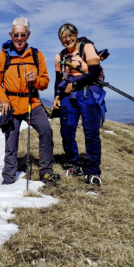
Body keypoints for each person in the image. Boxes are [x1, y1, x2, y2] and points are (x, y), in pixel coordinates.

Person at [0, 17, 60, 184]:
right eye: (16, 35)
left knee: (46, 131)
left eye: (23, 34)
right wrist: (4, 100)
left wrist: (35, 79)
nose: (19, 38)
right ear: (11, 35)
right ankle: (8, 177)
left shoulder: (37, 55)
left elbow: (44, 83)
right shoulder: (2, 57)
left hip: (32, 103)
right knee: (11, 141)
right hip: (12, 105)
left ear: (28, 35)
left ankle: (46, 171)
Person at [52, 23, 104, 186]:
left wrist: (74, 85)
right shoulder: (59, 56)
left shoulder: (87, 47)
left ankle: (93, 171)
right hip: (67, 95)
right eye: (63, 37)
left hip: (88, 93)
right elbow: (58, 79)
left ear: (76, 35)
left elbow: (94, 72)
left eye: (70, 36)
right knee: (66, 131)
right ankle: (74, 164)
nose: (67, 39)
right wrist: (57, 96)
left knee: (91, 133)